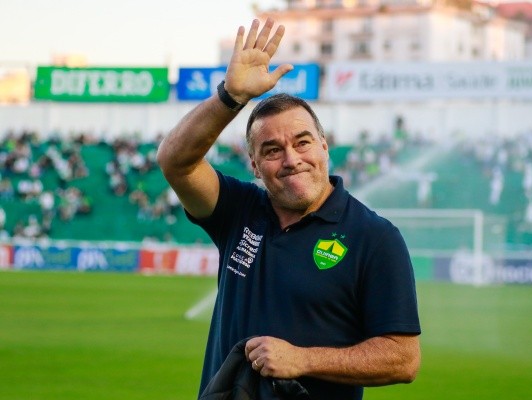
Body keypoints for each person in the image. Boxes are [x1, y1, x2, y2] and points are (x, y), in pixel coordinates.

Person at [157, 18, 421, 400]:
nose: (291, 159)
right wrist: (231, 96)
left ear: (324, 146)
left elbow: (403, 359)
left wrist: (302, 359)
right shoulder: (238, 210)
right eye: (272, 150)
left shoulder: (375, 237)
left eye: (302, 142)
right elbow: (175, 162)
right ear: (254, 164)